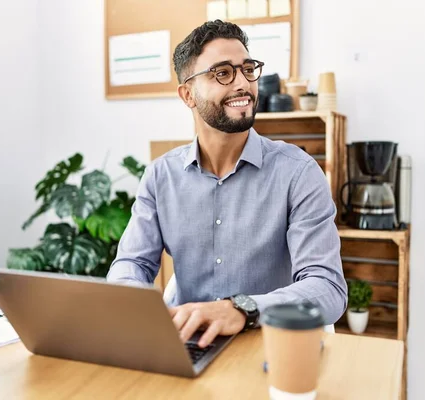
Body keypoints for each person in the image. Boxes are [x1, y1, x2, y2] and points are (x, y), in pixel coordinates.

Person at [107, 20, 347, 348]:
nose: (243, 84)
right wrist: (141, 310)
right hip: (191, 347)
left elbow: (327, 288)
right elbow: (131, 264)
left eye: (247, 69)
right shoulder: (161, 176)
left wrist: (241, 309)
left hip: (270, 349)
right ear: (188, 94)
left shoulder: (298, 173)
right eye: (222, 73)